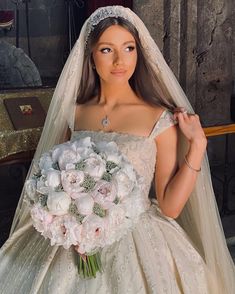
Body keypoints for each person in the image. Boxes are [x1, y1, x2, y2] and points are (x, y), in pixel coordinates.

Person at [0, 5, 234, 294]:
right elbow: (54, 179)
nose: (120, 60)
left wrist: (197, 146)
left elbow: (171, 206)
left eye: (129, 47)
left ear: (140, 51)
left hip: (140, 240)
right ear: (90, 57)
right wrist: (69, 223)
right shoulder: (74, 113)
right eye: (107, 50)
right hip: (71, 240)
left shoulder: (159, 117)